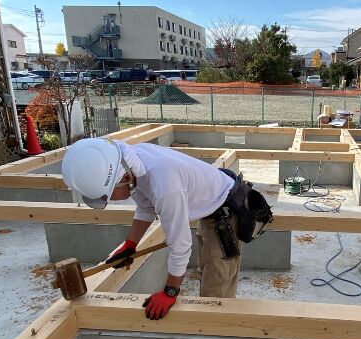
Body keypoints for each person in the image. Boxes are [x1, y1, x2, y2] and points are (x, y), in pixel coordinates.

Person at [60, 137, 246, 320]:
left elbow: (180, 246)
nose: (107, 200)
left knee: (216, 291)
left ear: (124, 177)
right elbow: (146, 207)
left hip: (227, 216)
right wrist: (130, 244)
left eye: (107, 195)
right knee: (206, 270)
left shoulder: (165, 185)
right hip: (209, 209)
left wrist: (170, 291)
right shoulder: (133, 162)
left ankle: (219, 333)